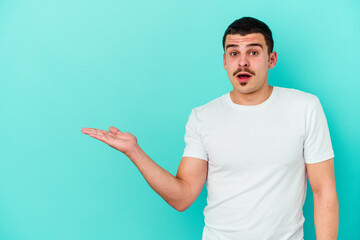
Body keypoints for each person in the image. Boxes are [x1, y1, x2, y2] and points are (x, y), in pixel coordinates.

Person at [81, 17, 338, 240]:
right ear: (224, 61)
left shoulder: (305, 107)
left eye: (253, 52)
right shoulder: (203, 117)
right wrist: (134, 151)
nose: (243, 63)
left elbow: (323, 191)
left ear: (272, 59)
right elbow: (182, 197)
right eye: (234, 53)